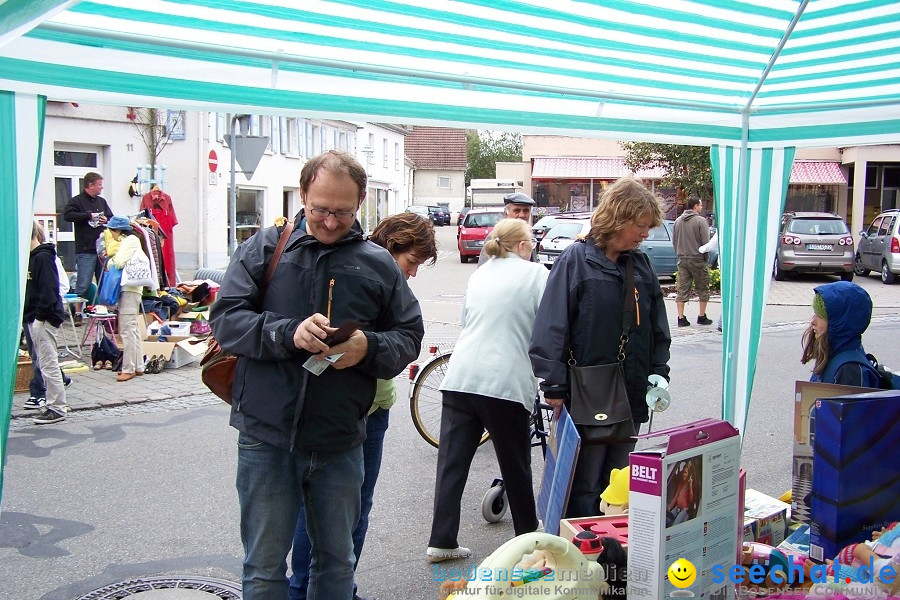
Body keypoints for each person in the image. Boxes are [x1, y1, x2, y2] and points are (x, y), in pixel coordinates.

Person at [209, 150, 424, 600]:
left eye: (342, 212)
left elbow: (409, 335)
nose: (329, 221)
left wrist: (370, 347)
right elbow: (226, 320)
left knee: (336, 567)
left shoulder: (378, 263)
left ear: (361, 202)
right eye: (319, 209)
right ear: (303, 194)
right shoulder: (265, 248)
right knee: (264, 569)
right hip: (266, 437)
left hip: (341, 439)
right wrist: (288, 333)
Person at [290, 212, 437, 600]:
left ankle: (340, 587)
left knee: (354, 511)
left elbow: (404, 338)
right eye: (412, 263)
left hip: (373, 410)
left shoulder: (385, 281)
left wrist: (373, 345)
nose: (415, 273)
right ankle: (306, 589)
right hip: (347, 414)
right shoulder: (360, 276)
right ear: (390, 250)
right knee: (327, 514)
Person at [529, 177, 671, 518]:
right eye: (640, 225)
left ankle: (610, 558)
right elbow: (552, 327)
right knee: (585, 485)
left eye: (649, 227)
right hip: (588, 392)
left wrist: (658, 373)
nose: (645, 234)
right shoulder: (575, 261)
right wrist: (555, 385)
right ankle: (579, 554)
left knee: (619, 485)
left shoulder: (641, 265)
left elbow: (657, 328)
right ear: (619, 218)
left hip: (633, 392)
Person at [428, 218, 548, 562]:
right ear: (523, 246)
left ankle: (441, 540)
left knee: (451, 464)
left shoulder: (479, 273)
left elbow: (468, 320)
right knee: (515, 464)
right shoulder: (536, 274)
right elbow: (549, 323)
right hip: (505, 382)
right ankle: (527, 538)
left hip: (461, 376)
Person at [24, 221, 70, 424]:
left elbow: (49, 291)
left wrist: (40, 318)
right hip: (36, 317)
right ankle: (53, 404)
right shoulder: (33, 258)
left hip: (42, 318)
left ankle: (57, 407)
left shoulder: (42, 257)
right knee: (44, 363)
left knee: (48, 363)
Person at [801, 280, 882, 388]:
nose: (813, 321)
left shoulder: (849, 370)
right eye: (815, 314)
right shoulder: (833, 353)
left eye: (820, 317)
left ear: (839, 324)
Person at [63, 172, 113, 324]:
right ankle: (78, 313)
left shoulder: (102, 201)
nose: (101, 187)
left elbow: (111, 217)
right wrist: (87, 216)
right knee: (83, 283)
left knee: (103, 282)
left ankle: (102, 312)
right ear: (90, 185)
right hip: (85, 249)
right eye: (99, 184)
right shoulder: (76, 201)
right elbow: (67, 215)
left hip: (102, 250)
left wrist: (107, 219)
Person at [105, 216, 145, 381]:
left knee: (126, 329)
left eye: (111, 229)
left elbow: (119, 262)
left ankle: (128, 368)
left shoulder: (130, 240)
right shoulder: (131, 240)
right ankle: (138, 365)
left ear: (118, 230)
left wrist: (111, 262)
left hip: (129, 289)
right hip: (132, 289)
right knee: (133, 329)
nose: (110, 233)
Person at [672, 197, 712, 327]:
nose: (701, 208)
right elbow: (706, 243)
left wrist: (679, 253)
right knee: (703, 287)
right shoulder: (701, 221)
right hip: (697, 259)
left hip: (682, 259)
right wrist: (705, 257)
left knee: (682, 288)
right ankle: (701, 316)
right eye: (700, 205)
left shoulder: (677, 221)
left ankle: (681, 317)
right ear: (695, 206)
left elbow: (674, 241)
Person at [476, 191, 536, 265]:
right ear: (506, 213)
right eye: (517, 211)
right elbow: (483, 268)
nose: (522, 215)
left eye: (526, 211)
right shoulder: (497, 236)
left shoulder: (529, 235)